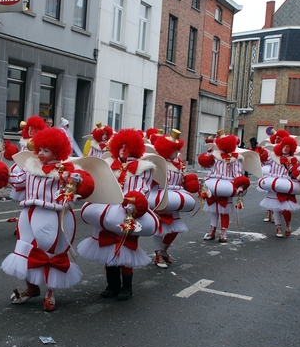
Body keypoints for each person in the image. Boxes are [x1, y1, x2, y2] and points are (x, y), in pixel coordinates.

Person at [0, 127, 94, 311]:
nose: (40, 153)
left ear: (57, 151)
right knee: (24, 249)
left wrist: (77, 182)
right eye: (39, 149)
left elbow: (82, 189)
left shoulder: (66, 171)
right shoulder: (30, 167)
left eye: (45, 150)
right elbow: (16, 180)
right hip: (27, 212)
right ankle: (31, 287)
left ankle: (50, 291)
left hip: (51, 213)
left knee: (48, 252)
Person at [78, 128, 159, 300]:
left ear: (135, 147)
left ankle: (126, 287)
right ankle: (112, 284)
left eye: (127, 146)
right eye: (121, 146)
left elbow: (142, 189)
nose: (123, 149)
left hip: (128, 211)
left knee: (126, 250)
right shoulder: (109, 165)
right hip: (108, 209)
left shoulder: (143, 168)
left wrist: (134, 203)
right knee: (108, 249)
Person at [148, 130, 199, 268]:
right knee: (160, 228)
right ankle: (158, 254)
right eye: (174, 150)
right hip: (161, 196)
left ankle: (164, 250)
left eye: (178, 149)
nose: (177, 153)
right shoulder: (157, 162)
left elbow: (182, 180)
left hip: (176, 196)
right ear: (166, 149)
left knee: (175, 228)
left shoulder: (180, 163)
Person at [197, 131, 251, 243]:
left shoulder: (236, 158)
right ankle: (212, 231)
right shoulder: (215, 155)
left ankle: (223, 233)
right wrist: (208, 155)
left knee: (224, 212)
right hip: (213, 182)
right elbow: (207, 166)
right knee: (214, 211)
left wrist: (240, 185)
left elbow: (237, 173)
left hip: (227, 185)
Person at [258, 137, 300, 238]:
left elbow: (298, 171)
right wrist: (261, 152)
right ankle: (278, 227)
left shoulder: (294, 159)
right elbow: (264, 161)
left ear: (291, 148)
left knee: (285, 209)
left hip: (286, 185)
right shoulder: (273, 157)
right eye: (284, 146)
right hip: (274, 183)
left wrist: (299, 172)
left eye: (288, 147)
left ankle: (288, 225)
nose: (285, 148)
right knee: (276, 207)